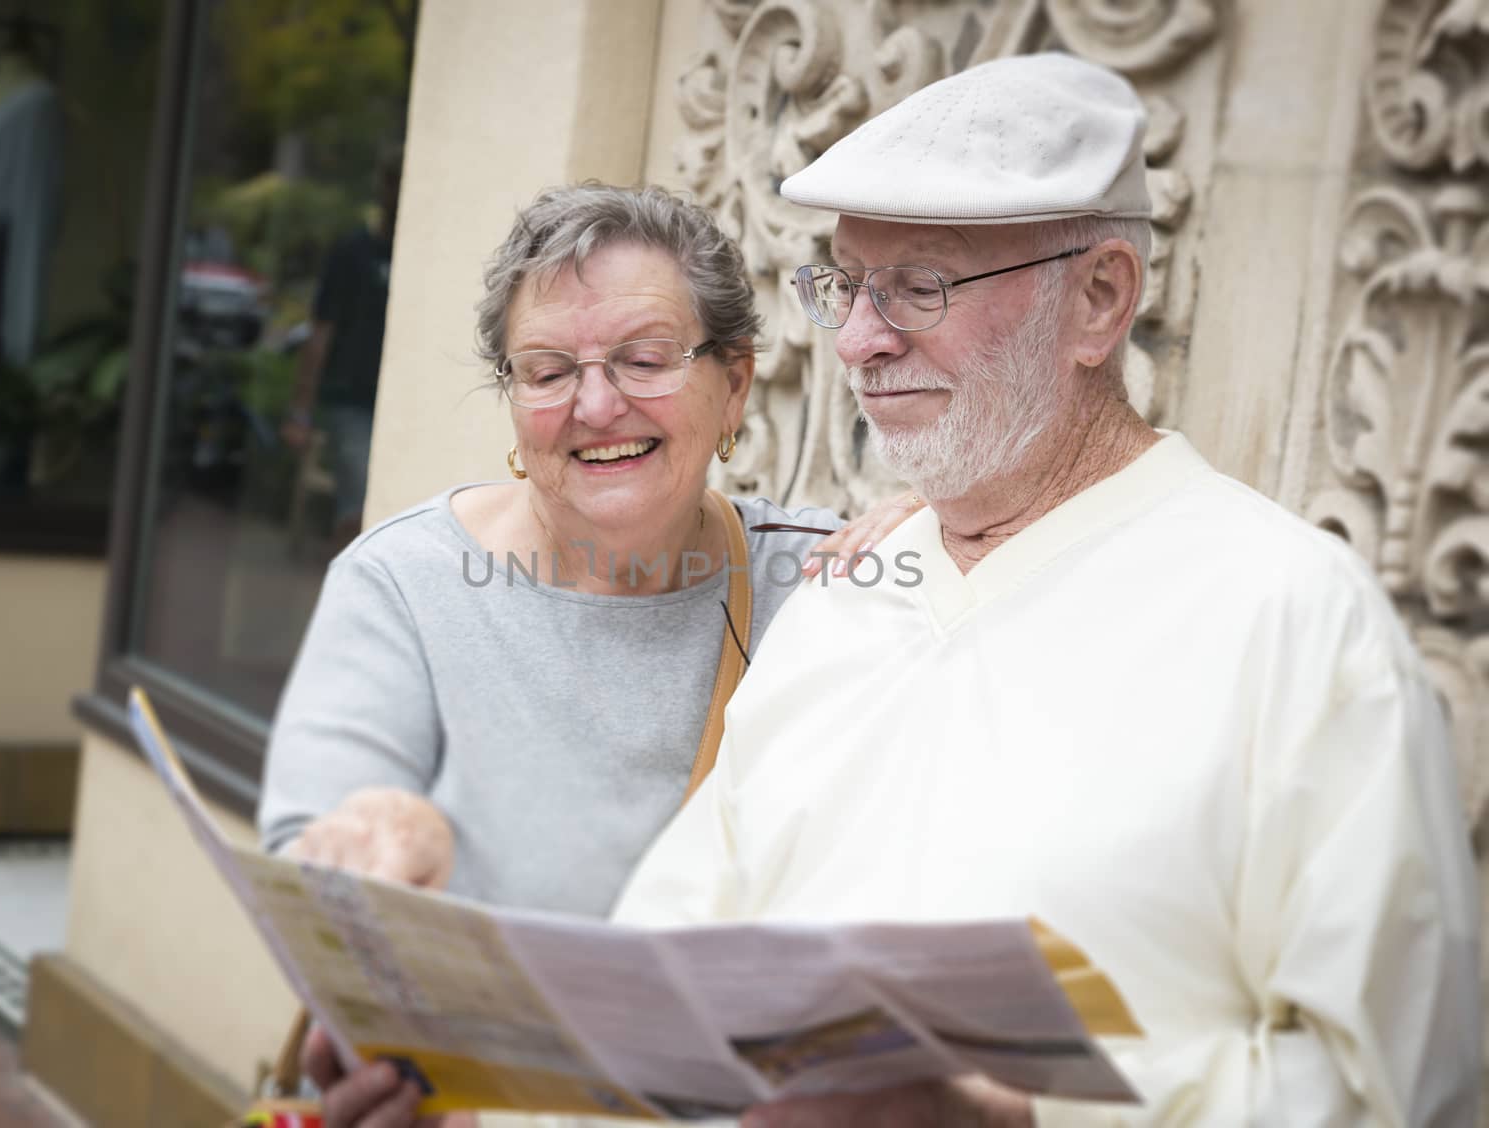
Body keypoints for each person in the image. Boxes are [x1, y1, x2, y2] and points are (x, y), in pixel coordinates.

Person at [607, 53, 1481, 1127]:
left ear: (1098, 300)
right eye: (842, 284)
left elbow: (1393, 1089)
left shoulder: (1294, 617)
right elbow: (659, 995)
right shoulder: (842, 602)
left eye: (918, 286)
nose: (859, 339)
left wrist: (1013, 1118)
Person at [256, 183, 924, 1127]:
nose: (596, 404)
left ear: (734, 382)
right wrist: (369, 842)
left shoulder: (822, 582)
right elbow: (314, 886)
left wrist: (951, 549)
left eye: (645, 360)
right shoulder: (403, 584)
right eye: (547, 370)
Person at [281, 148, 404, 547]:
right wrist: (300, 410)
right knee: (362, 506)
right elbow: (320, 334)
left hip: (403, 404)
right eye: (394, 181)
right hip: (350, 402)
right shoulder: (351, 253)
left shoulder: (424, 256)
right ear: (383, 187)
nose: (400, 192)